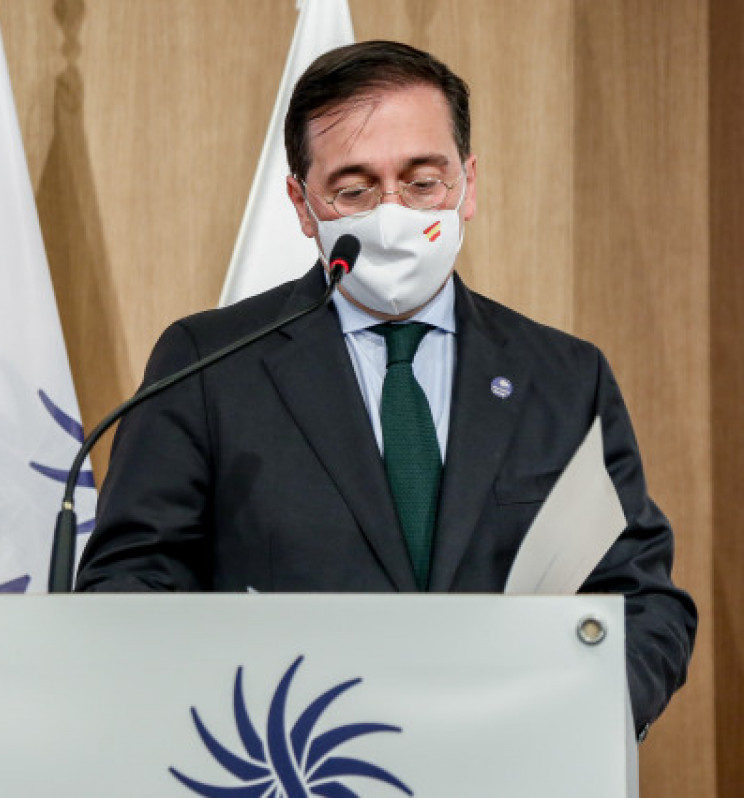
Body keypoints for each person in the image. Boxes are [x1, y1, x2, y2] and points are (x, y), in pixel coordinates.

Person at [74, 40, 696, 738]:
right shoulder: (208, 366)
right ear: (303, 204)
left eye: (423, 182)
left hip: (509, 761)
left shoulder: (564, 377)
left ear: (468, 183)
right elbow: (130, 586)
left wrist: (576, 720)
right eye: (355, 190)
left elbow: (642, 598)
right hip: (290, 761)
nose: (393, 215)